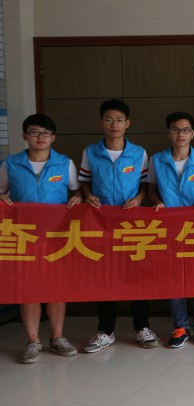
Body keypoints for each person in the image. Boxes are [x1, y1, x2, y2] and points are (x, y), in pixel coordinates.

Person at [0, 114, 81, 363]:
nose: (40, 137)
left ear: (53, 138)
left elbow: (76, 192)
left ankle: (57, 337)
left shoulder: (64, 163)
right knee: (29, 289)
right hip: (24, 236)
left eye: (45, 133)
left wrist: (77, 199)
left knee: (56, 287)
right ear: (25, 136)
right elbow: (1, 192)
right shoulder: (10, 164)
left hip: (57, 236)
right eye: (34, 132)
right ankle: (33, 341)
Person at [79, 99, 158, 352]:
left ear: (128, 123)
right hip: (101, 222)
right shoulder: (91, 152)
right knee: (105, 275)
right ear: (101, 122)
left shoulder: (139, 153)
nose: (114, 124)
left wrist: (139, 198)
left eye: (119, 120)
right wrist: (88, 196)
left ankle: (142, 327)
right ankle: (105, 330)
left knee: (137, 275)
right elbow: (84, 181)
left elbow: (145, 184)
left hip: (132, 224)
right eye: (109, 119)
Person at [147, 112, 194, 349]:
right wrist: (158, 202)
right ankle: (180, 326)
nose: (180, 135)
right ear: (169, 133)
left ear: (192, 134)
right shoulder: (157, 160)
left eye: (185, 130)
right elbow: (151, 188)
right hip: (169, 226)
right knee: (174, 276)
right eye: (175, 130)